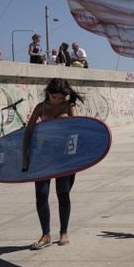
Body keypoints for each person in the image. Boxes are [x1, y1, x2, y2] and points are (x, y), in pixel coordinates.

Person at [22, 78, 84, 250]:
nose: (58, 101)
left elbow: (78, 131)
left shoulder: (69, 106)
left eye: (61, 97)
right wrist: (25, 156)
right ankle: (46, 234)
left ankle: (63, 232)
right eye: (55, 97)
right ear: (48, 93)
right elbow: (29, 131)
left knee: (63, 193)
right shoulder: (41, 108)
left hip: (64, 157)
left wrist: (68, 122)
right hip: (43, 157)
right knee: (41, 195)